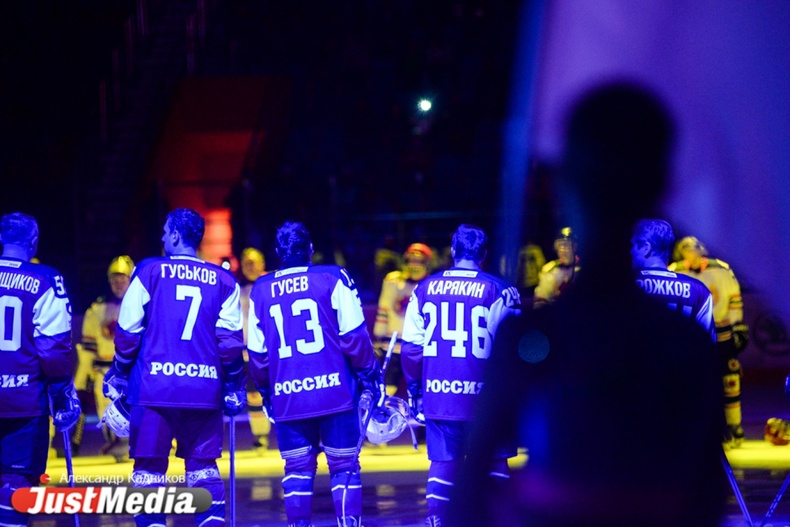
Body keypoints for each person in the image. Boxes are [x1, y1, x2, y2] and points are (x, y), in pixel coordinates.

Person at [448, 83, 727, 526]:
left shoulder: (531, 340)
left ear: (564, 185)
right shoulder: (687, 344)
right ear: (663, 185)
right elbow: (706, 501)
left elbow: (467, 504)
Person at [103, 208, 246, 527]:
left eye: (166, 231)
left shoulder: (149, 270)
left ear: (177, 235)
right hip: (204, 390)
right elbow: (229, 343)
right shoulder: (224, 280)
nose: (162, 236)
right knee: (203, 470)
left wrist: (120, 373)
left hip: (153, 391)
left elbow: (128, 332)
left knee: (148, 473)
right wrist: (234, 384)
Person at [246, 221, 382, 527]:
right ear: (310, 249)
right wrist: (370, 376)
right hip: (336, 394)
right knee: (344, 467)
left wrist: (267, 393)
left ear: (278, 252)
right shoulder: (333, 277)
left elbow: (258, 355)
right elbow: (354, 338)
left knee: (296, 470)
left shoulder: (261, 290)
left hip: (289, 397)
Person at [400, 224, 521, 527]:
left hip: (441, 394)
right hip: (486, 397)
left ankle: (437, 520)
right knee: (494, 460)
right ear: (484, 254)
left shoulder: (424, 289)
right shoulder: (501, 289)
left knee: (443, 463)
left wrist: (415, 390)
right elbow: (515, 349)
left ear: (453, 251)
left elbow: (411, 349)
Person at [0, 212, 81, 527]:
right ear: (34, 241)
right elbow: (53, 346)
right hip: (25, 401)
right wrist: (61, 391)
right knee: (16, 485)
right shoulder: (45, 278)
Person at [670, 236, 749, 447]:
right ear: (680, 251)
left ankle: (734, 425)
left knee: (730, 378)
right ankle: (696, 427)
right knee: (692, 381)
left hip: (722, 333)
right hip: (691, 335)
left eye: (695, 246)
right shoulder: (675, 271)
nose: (692, 250)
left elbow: (734, 298)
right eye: (686, 247)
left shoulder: (721, 269)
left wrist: (737, 326)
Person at [78, 255, 134, 460]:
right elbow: (88, 348)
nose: (118, 284)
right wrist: (82, 377)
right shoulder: (97, 310)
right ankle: (118, 443)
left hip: (132, 370)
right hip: (104, 371)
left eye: (122, 279)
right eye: (114, 280)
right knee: (107, 413)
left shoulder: (142, 307)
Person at [631, 219, 715, 339]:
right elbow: (707, 342)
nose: (629, 252)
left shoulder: (627, 286)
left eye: (632, 246)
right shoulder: (699, 291)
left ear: (645, 248)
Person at [373, 242, 433, 396]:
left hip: (419, 347)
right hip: (392, 344)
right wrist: (379, 336)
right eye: (410, 260)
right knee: (388, 385)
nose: (413, 265)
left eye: (418, 261)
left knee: (420, 386)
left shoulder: (432, 286)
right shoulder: (393, 282)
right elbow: (384, 309)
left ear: (427, 263)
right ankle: (384, 409)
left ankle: (420, 409)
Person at [237, 247, 273, 453]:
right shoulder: (239, 290)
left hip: (274, 350)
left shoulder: (272, 285)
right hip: (249, 352)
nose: (249, 267)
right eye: (246, 264)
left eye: (252, 262)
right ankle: (260, 436)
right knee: (253, 394)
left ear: (262, 263)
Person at [532, 227, 579, 308]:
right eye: (559, 245)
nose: (562, 250)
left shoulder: (584, 269)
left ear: (574, 247)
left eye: (566, 245)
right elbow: (541, 301)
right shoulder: (550, 271)